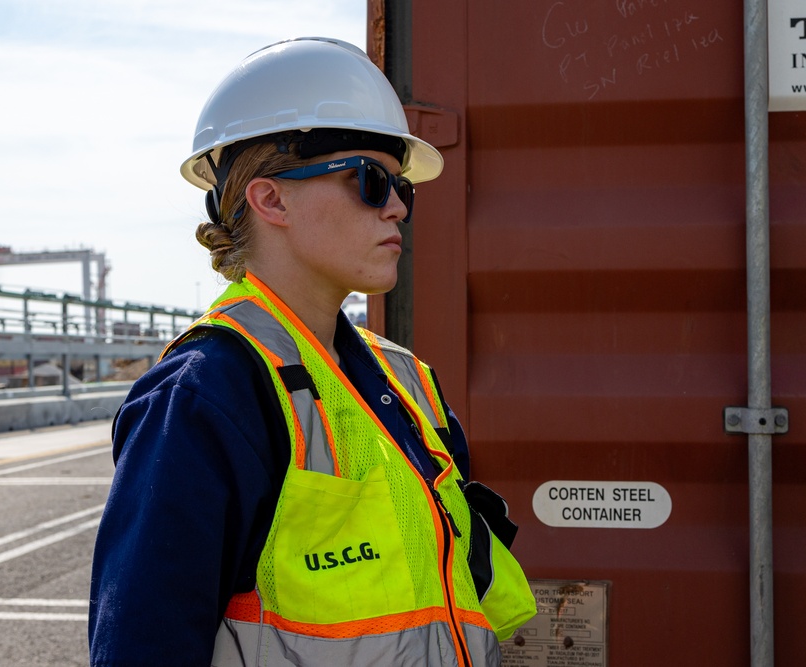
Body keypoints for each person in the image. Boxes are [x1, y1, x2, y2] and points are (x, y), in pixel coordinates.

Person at [88, 37, 535, 667]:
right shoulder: (207, 394)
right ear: (271, 199)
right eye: (371, 180)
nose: (400, 207)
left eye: (403, 186)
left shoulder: (407, 382)